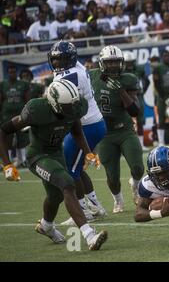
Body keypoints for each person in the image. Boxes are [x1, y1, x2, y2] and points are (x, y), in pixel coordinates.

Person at [0, 80, 107, 250]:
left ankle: (46, 225)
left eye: (74, 105)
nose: (71, 109)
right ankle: (89, 235)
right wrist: (7, 164)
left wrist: (88, 151)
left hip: (57, 154)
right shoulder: (36, 110)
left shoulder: (74, 106)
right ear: (54, 103)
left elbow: (76, 128)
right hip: (38, 156)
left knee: (55, 196)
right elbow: (4, 130)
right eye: (67, 106)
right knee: (67, 183)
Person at [48, 41, 107, 224]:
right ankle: (96, 206)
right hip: (93, 122)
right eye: (55, 60)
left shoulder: (67, 77)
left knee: (70, 171)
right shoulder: (78, 67)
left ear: (70, 59)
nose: (57, 64)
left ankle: (83, 212)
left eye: (61, 60)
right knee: (77, 168)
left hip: (84, 126)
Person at [90, 45, 144, 212]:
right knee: (112, 176)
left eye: (116, 62)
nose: (113, 66)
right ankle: (118, 201)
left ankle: (135, 185)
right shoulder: (91, 76)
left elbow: (135, 110)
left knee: (138, 168)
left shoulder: (128, 79)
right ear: (101, 63)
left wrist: (120, 91)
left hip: (125, 130)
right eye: (109, 62)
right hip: (104, 133)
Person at [0, 65, 29, 171]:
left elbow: (27, 98)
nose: (12, 74)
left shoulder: (23, 84)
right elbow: (1, 99)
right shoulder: (3, 84)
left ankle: (23, 160)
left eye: (14, 72)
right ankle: (7, 161)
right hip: (6, 115)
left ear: (16, 73)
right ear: (8, 73)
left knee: (22, 137)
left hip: (20, 114)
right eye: (10, 72)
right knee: (7, 138)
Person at [123, 52, 149, 148]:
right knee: (127, 121)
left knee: (140, 120)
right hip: (126, 98)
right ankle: (129, 144)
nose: (129, 65)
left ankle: (141, 144)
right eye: (127, 62)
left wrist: (142, 91)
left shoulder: (139, 70)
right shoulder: (122, 72)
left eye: (131, 62)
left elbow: (147, 80)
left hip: (138, 96)